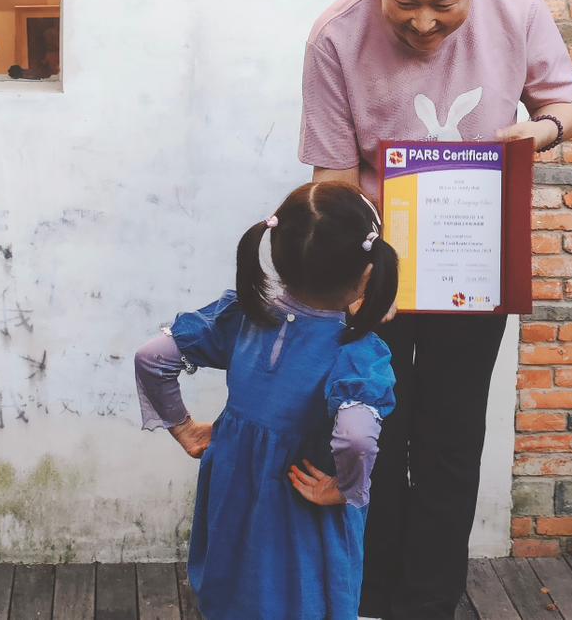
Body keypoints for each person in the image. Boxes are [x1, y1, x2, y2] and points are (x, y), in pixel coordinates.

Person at [299, 0, 572, 619]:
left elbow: (565, 104)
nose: (423, 22)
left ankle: (429, 602)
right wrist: (358, 276)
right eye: (404, 2)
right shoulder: (336, 34)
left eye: (445, 5)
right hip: (378, 269)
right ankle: (371, 597)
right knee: (375, 428)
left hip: (472, 259)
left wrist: (542, 133)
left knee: (452, 437)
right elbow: (334, 178)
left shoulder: (517, 8)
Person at [134, 181, 399, 620]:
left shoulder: (244, 316)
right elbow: (356, 438)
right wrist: (346, 488)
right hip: (303, 500)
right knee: (306, 598)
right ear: (367, 274)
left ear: (275, 253)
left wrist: (184, 428)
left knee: (234, 594)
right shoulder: (356, 355)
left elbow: (152, 357)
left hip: (232, 495)